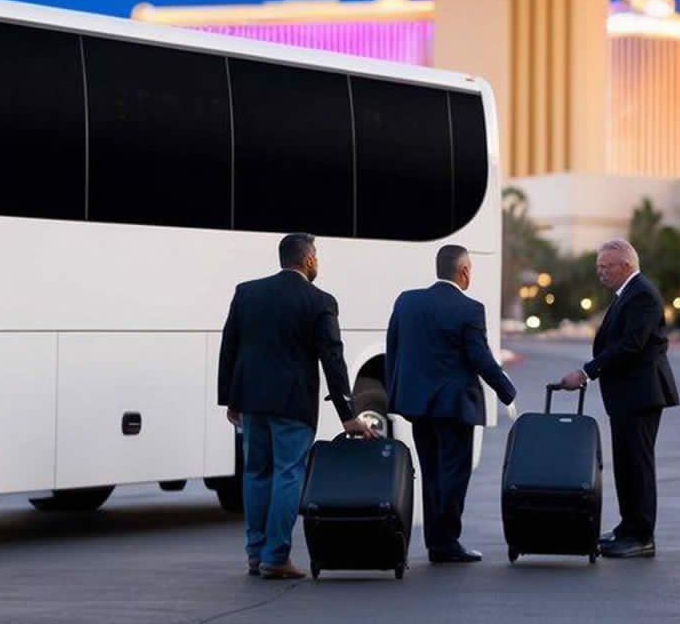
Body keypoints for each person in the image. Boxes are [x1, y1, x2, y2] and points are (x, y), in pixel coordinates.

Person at [217, 233, 377, 580]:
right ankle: (276, 556)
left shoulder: (248, 292)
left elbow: (229, 345)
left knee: (256, 474)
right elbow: (333, 360)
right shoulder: (319, 301)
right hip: (292, 405)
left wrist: (230, 398)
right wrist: (348, 416)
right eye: (316, 255)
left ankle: (255, 555)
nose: (317, 260)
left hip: (252, 402)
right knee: (288, 474)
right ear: (307, 260)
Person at [385, 244, 517, 563]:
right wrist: (507, 391)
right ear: (465, 272)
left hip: (418, 407)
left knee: (430, 473)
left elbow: (393, 350)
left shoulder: (407, 301)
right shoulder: (469, 309)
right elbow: (480, 358)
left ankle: (436, 540)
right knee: (454, 475)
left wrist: (396, 393)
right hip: (454, 408)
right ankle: (446, 543)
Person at [556, 238, 680, 558]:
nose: (600, 273)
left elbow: (630, 346)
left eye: (605, 267)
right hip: (628, 396)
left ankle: (642, 535)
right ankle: (629, 528)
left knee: (637, 465)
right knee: (625, 464)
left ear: (626, 265)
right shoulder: (627, 294)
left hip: (641, 394)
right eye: (598, 267)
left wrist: (585, 372)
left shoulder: (642, 296)